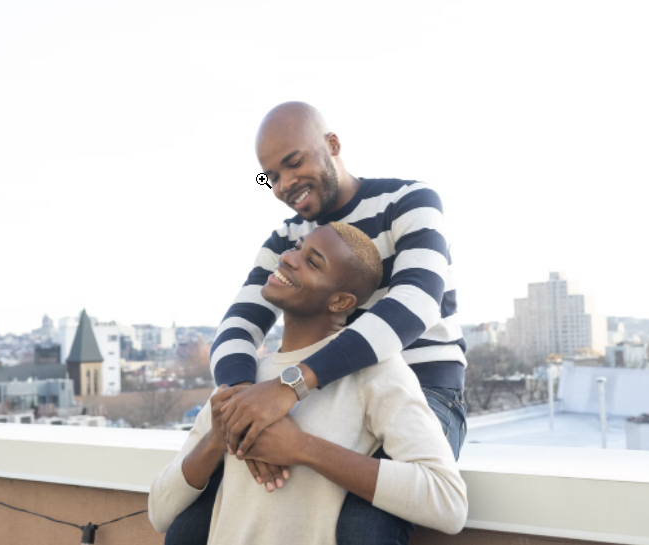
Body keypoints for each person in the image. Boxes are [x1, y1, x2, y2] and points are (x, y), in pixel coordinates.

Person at [171, 101, 468, 544]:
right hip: (324, 393)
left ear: (332, 145)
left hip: (423, 395)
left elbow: (415, 301)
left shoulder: (409, 200)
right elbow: (237, 327)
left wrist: (287, 387)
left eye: (294, 162)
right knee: (192, 524)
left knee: (362, 528)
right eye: (270, 176)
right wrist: (241, 409)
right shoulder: (284, 240)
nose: (283, 185)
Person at [148, 223, 468, 545]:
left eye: (313, 261)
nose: (288, 258)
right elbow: (159, 513)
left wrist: (302, 448)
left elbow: (447, 502)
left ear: (341, 302)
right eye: (298, 247)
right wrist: (217, 438)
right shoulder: (245, 378)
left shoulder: (375, 372)